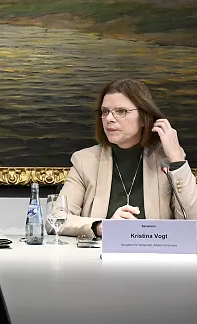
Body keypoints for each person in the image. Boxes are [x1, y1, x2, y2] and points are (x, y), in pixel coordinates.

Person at [58, 78, 197, 239]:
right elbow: (57, 219)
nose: (109, 118)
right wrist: (101, 226)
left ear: (144, 117)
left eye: (121, 111)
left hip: (156, 258)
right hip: (98, 259)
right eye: (105, 111)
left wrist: (177, 159)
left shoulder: (166, 159)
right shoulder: (84, 161)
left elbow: (192, 222)